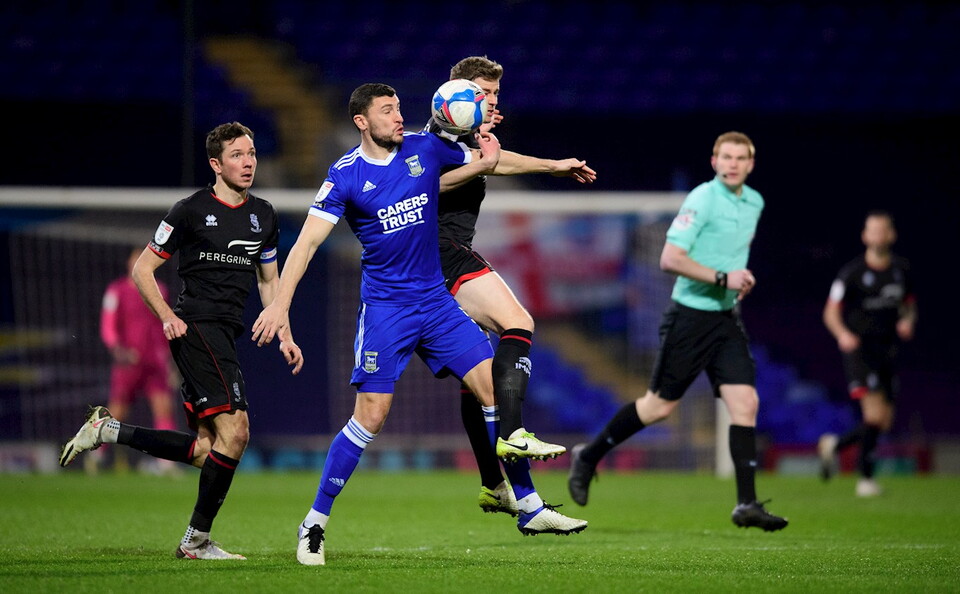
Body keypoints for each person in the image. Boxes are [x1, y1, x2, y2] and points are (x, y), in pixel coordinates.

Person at [252, 83, 587, 567]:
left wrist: (547, 166)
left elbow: (488, 160)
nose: (397, 116)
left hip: (435, 302)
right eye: (386, 111)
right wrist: (280, 306)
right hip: (387, 309)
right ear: (361, 121)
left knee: (493, 389)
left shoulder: (423, 147)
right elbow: (305, 245)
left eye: (398, 108)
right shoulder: (345, 175)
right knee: (371, 416)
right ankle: (314, 523)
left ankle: (529, 507)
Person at [59, 121, 303, 560]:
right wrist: (168, 316)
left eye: (251, 153)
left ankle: (108, 430)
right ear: (216, 164)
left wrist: (283, 330)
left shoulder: (264, 215)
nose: (248, 162)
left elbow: (269, 280)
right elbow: (143, 270)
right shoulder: (189, 210)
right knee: (237, 432)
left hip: (225, 332)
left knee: (209, 449)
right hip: (197, 327)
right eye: (237, 155)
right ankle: (196, 541)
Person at [567, 131, 789, 532]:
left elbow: (730, 257)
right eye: (726, 157)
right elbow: (670, 258)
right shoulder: (702, 199)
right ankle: (589, 454)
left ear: (751, 164)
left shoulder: (754, 203)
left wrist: (740, 278)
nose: (733, 163)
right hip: (689, 317)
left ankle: (747, 504)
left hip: (726, 319)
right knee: (658, 407)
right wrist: (722, 277)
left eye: (740, 158)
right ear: (714, 161)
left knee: (746, 403)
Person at [425, 55, 597, 516]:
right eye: (483, 93)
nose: (491, 100)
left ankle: (495, 486)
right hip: (441, 251)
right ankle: (513, 434)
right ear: (457, 96)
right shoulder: (434, 141)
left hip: (439, 256)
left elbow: (496, 162)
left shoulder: (464, 137)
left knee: (478, 374)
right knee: (518, 322)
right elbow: (442, 178)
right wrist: (489, 153)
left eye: (496, 94)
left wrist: (551, 165)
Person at [818, 211, 916, 497]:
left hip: (889, 350)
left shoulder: (901, 270)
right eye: (872, 230)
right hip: (861, 351)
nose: (877, 235)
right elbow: (830, 312)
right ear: (864, 236)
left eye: (882, 230)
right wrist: (843, 334)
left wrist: (908, 320)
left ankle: (834, 445)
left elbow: (909, 304)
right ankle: (865, 479)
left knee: (884, 421)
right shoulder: (853, 273)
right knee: (873, 414)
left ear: (891, 235)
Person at [96, 246, 179, 474]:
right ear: (129, 264)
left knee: (164, 408)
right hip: (129, 362)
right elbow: (108, 325)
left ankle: (166, 463)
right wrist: (117, 349)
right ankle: (97, 452)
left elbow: (163, 325)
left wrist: (169, 361)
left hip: (155, 362)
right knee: (118, 412)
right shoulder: (117, 290)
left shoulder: (160, 290)